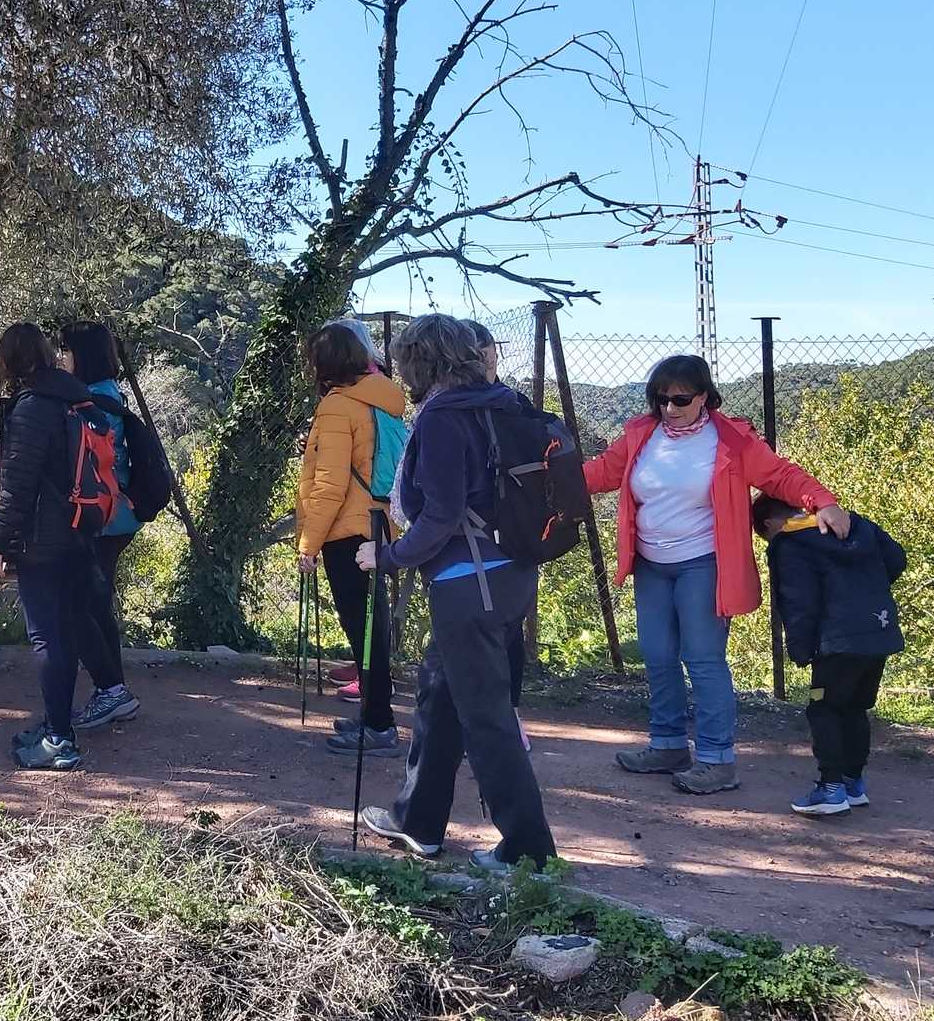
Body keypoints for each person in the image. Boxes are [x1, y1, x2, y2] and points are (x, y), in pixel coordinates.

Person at [583, 355, 850, 795]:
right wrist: (547, 484)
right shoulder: (639, 434)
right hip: (651, 564)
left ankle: (717, 759)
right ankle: (667, 745)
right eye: (661, 399)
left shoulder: (730, 439)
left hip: (703, 563)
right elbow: (601, 473)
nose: (669, 407)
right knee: (658, 654)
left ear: (704, 395)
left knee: (703, 659)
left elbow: (780, 475)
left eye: (681, 399)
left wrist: (822, 500)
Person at [355, 314, 558, 872]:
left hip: (466, 585)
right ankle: (417, 820)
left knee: (487, 717)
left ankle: (528, 851)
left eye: (404, 362)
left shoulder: (442, 419)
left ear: (421, 362)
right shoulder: (504, 403)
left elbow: (440, 515)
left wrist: (388, 557)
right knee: (440, 696)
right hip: (511, 575)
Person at [0, 322, 104, 771]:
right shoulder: (76, 398)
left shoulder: (34, 407)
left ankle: (58, 740)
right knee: (66, 633)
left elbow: (18, 489)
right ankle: (59, 726)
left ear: (12, 361)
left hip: (44, 539)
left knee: (46, 638)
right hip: (81, 530)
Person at [754, 495, 907, 816]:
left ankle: (831, 789)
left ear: (769, 524)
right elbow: (897, 558)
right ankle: (853, 784)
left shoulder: (790, 544)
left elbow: (798, 600)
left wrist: (799, 647)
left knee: (823, 709)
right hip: (877, 631)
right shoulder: (855, 523)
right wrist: (867, 592)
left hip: (835, 640)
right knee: (855, 707)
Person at [297, 323, 409, 756]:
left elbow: (328, 484)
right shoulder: (383, 398)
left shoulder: (337, 407)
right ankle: (373, 714)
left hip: (346, 530)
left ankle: (379, 725)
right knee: (371, 626)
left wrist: (309, 542)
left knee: (362, 627)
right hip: (378, 524)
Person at [58, 320, 142, 731]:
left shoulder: (90, 402)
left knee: (80, 604)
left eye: (66, 351)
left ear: (81, 356)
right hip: (119, 515)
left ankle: (111, 691)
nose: (62, 358)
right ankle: (114, 690)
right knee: (95, 603)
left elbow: (83, 462)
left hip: (102, 517)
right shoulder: (110, 393)